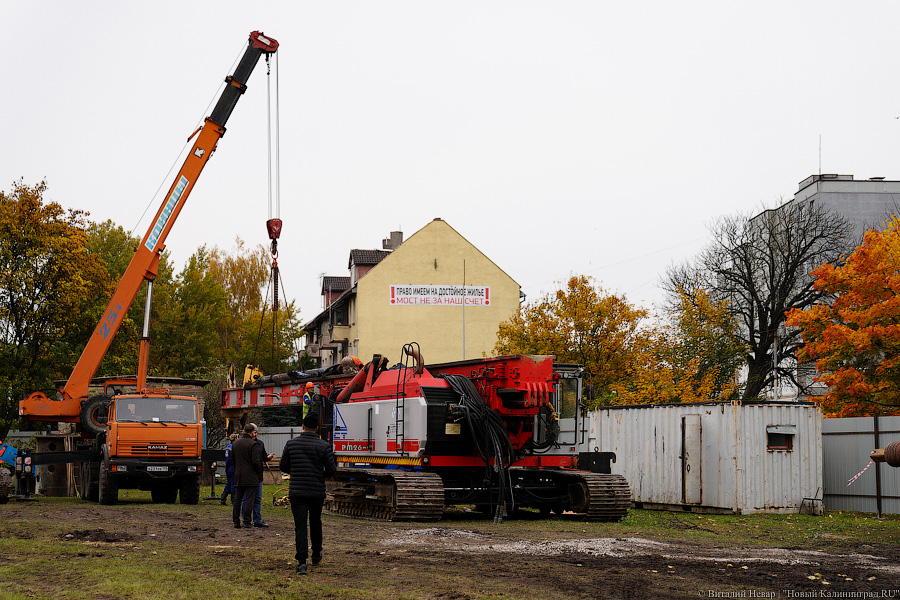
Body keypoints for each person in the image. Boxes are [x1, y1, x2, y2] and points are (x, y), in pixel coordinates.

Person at [280, 412, 336, 575]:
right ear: (317, 428)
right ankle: (317, 554)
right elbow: (331, 470)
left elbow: (284, 466)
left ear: (302, 426)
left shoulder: (291, 444)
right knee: (315, 522)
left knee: (300, 526)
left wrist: (296, 472)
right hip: (316, 491)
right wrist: (319, 475)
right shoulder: (324, 446)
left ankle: (302, 562)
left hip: (297, 490)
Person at [232, 423, 262, 529]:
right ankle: (246, 521)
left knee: (237, 499)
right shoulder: (253, 444)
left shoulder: (235, 444)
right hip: (250, 476)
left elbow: (232, 460)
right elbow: (255, 461)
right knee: (249, 499)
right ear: (252, 432)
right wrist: (258, 472)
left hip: (238, 475)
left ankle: (236, 521)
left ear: (243, 431)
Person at [252, 432, 275, 527]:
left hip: (259, 475)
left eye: (256, 432)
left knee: (257, 498)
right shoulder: (245, 444)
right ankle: (246, 519)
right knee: (246, 499)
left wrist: (267, 457)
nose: (254, 434)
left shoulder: (260, 443)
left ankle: (257, 520)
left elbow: (263, 457)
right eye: (253, 432)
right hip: (248, 475)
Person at [219, 433, 239, 505]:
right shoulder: (234, 447)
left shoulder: (228, 447)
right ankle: (233, 501)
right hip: (233, 468)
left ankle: (223, 499)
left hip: (228, 468)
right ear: (235, 439)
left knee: (228, 483)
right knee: (233, 484)